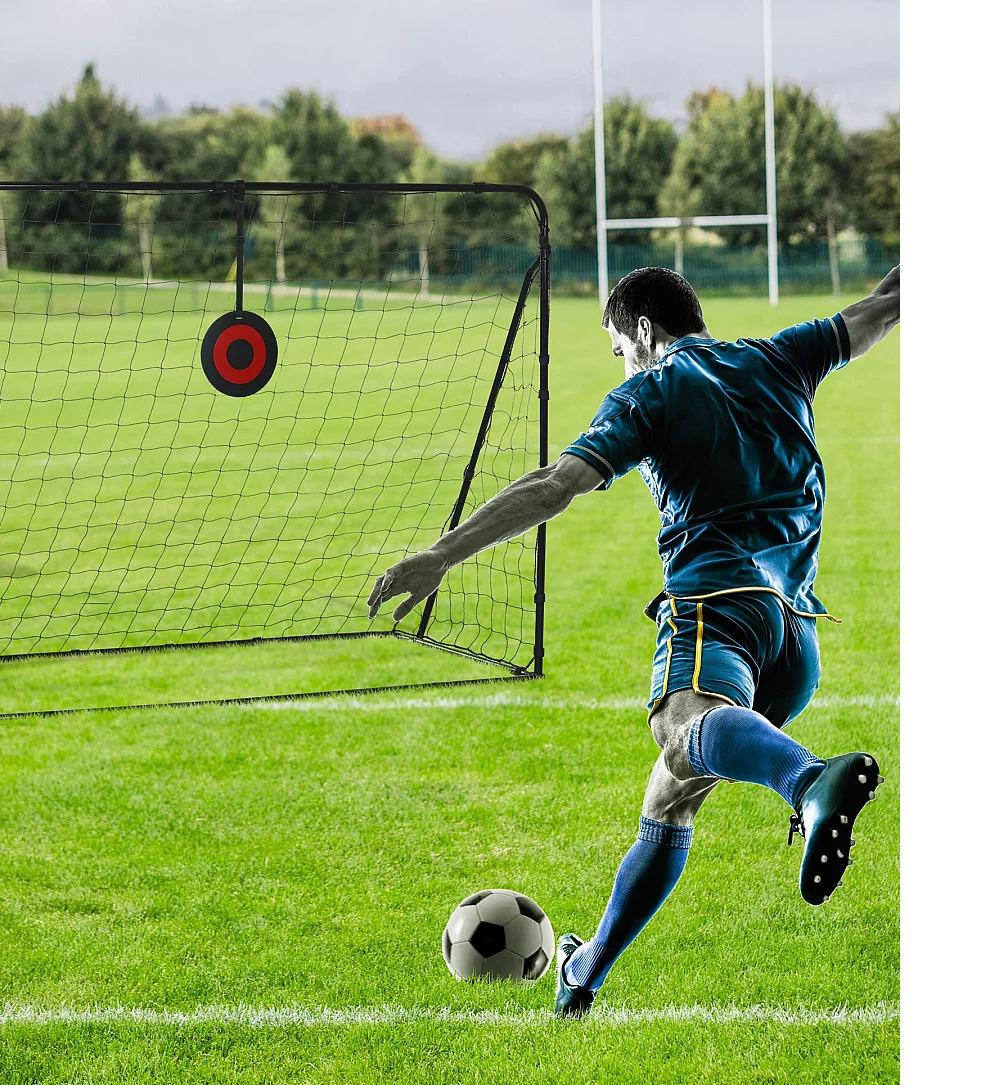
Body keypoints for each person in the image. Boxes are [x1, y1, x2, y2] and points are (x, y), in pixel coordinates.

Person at [368, 265, 901, 1018]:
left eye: (620, 347)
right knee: (670, 795)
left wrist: (441, 554)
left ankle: (809, 781)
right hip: (795, 637)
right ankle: (581, 974)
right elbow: (887, 303)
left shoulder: (653, 389)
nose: (624, 362)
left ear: (644, 332)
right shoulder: (782, 355)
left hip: (718, 609)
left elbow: (555, 485)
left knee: (680, 727)